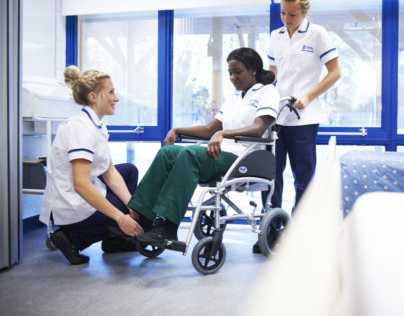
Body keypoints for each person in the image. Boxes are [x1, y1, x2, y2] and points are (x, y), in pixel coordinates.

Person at [126, 47, 279, 245]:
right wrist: (177, 130)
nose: (232, 77)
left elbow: (259, 128)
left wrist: (222, 133)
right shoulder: (234, 98)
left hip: (244, 157)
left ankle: (168, 227)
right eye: (230, 73)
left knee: (189, 154)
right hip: (220, 153)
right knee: (168, 153)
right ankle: (143, 220)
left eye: (237, 71)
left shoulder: (268, 91)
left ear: (254, 71)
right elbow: (210, 129)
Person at [39, 66, 148, 265]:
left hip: (83, 190)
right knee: (122, 214)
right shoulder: (79, 128)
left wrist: (133, 206)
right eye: (111, 92)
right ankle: (71, 238)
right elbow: (81, 184)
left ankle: (113, 239)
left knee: (129, 172)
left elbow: (110, 171)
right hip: (71, 201)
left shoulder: (95, 124)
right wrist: (122, 217)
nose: (116, 98)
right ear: (93, 97)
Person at [263, 0, 341, 215]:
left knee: (303, 177)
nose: (286, 19)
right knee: (271, 175)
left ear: (305, 12)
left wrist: (308, 95)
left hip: (304, 118)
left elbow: (335, 73)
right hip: (277, 116)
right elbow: (273, 74)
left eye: (293, 14)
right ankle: (271, 229)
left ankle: (299, 233)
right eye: (283, 13)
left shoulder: (317, 33)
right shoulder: (275, 36)